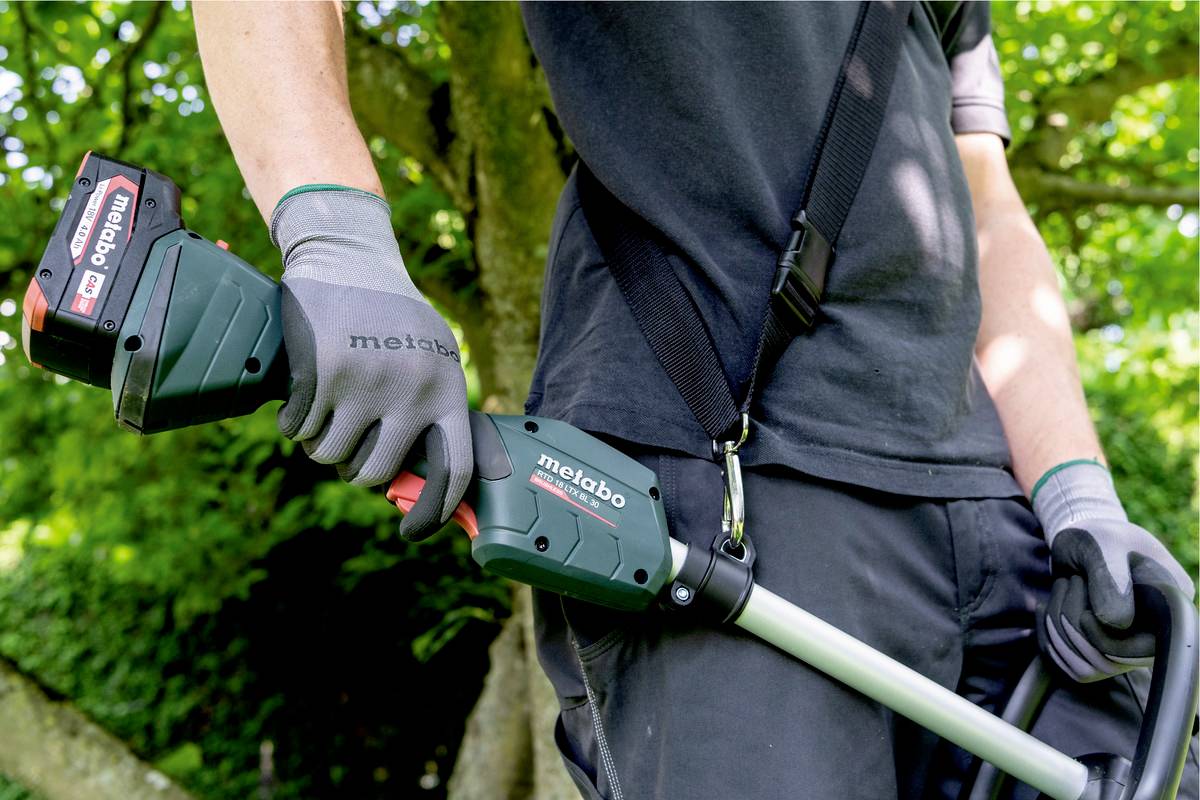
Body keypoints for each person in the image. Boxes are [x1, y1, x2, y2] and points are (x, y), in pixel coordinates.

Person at [193, 2, 1197, 798]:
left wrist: (1076, 490)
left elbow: (984, 197)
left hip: (993, 514)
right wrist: (339, 237)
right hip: (722, 488)